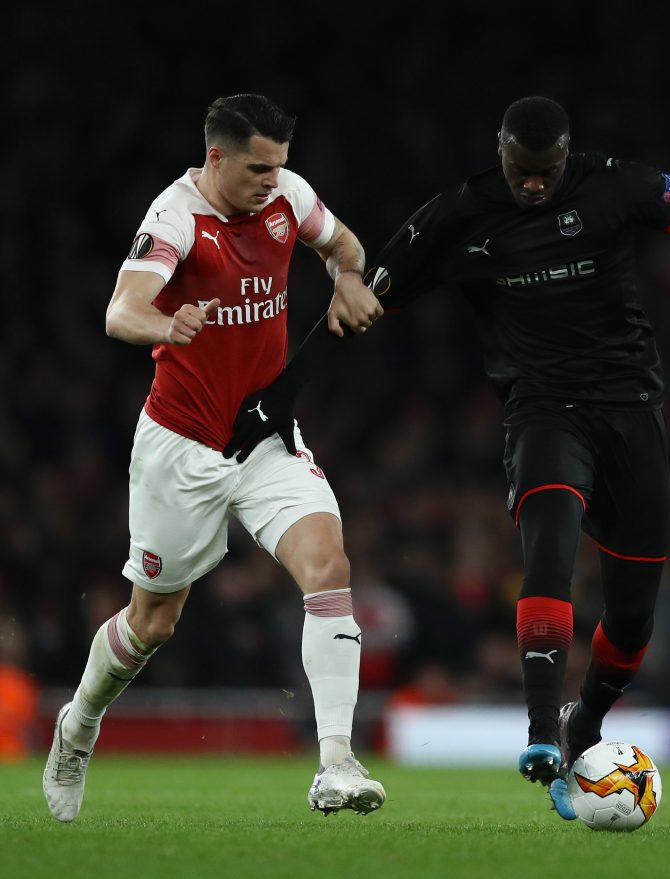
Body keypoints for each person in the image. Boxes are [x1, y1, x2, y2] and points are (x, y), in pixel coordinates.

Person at [227, 96, 670, 819]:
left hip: (632, 413)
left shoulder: (617, 186)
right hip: (543, 411)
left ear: (568, 156)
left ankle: (586, 723)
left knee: (635, 616)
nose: (534, 186)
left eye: (547, 172)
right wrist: (282, 393)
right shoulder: (464, 212)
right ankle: (543, 728)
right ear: (502, 153)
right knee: (548, 552)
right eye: (521, 170)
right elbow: (358, 298)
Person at [42, 94, 386, 823]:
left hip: (265, 437)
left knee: (328, 563)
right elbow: (120, 310)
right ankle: (77, 725)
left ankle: (335, 761)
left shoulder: (288, 196)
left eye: (280, 166)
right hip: (182, 447)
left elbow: (345, 246)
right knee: (153, 625)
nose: (273, 180)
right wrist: (170, 320)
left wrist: (348, 278)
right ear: (217, 157)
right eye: (258, 167)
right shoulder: (174, 218)